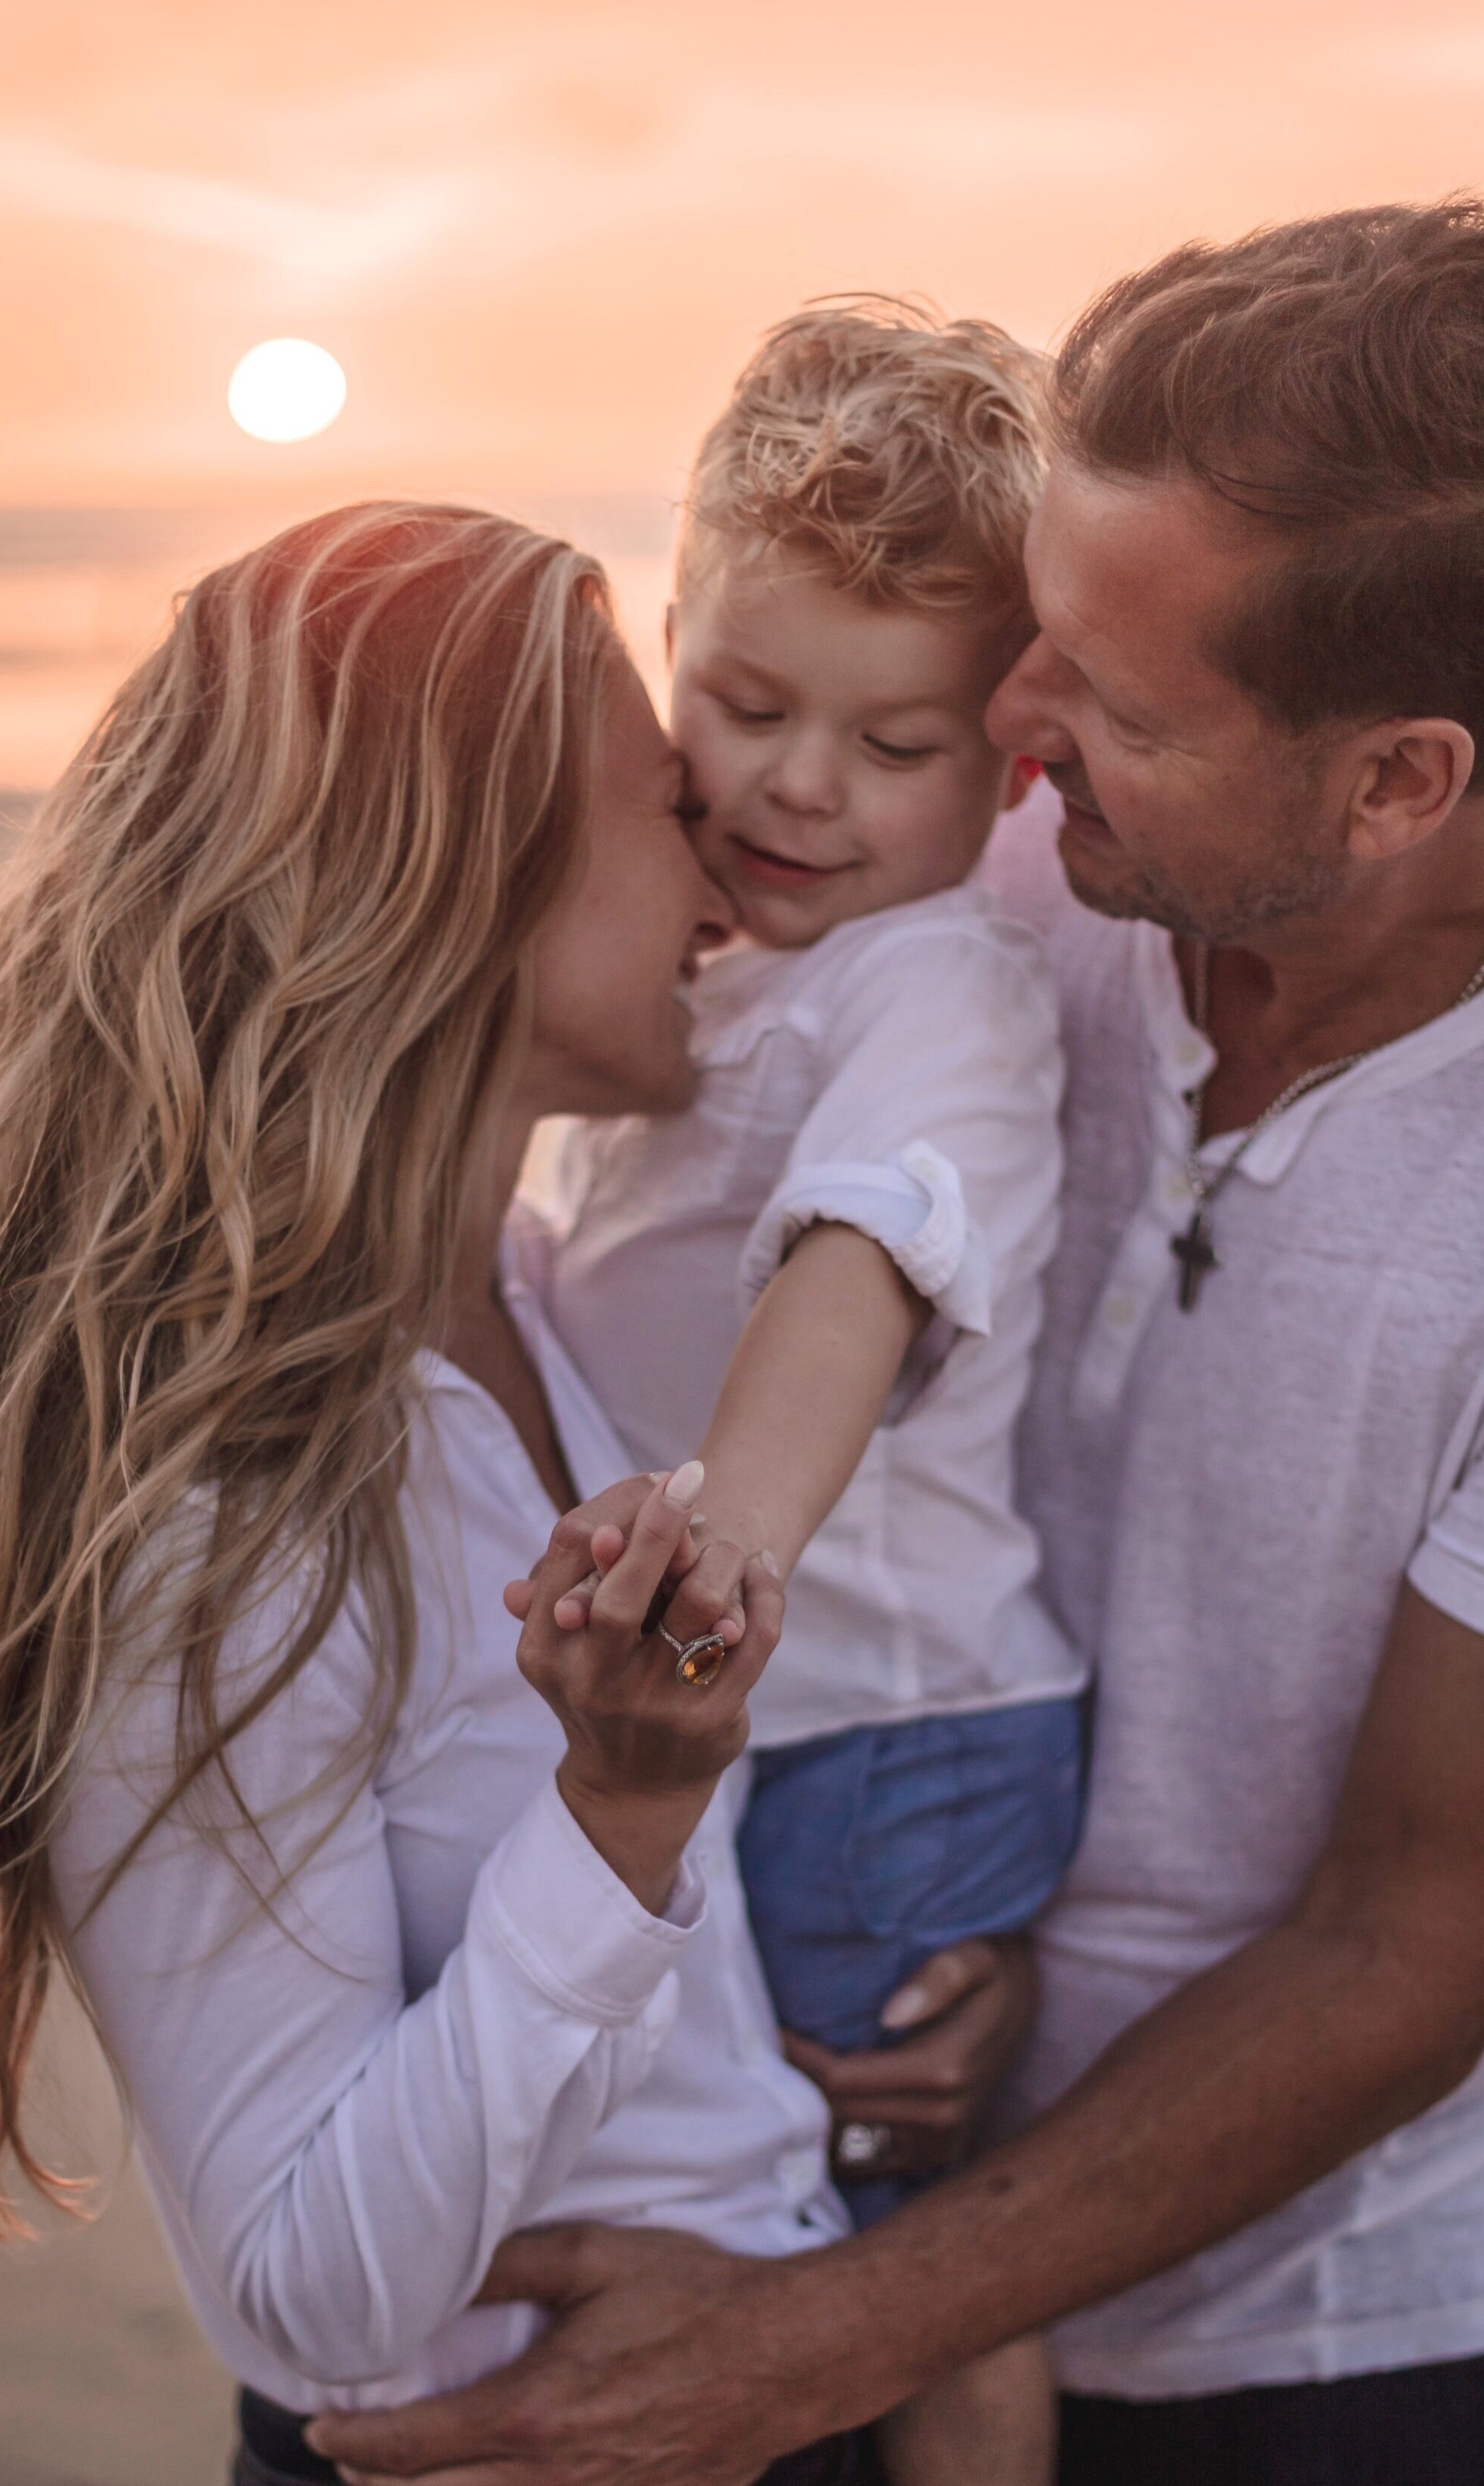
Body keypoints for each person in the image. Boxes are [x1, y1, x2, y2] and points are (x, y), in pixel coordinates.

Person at [310, 198, 1484, 2486]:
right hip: (814, 2105)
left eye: (1103, 695)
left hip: (1304, 2365)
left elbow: (1416, 1942)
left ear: (1392, 780)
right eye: (1030, 636)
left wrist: (813, 2337)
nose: (1002, 720)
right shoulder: (960, 833)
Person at [0, 501, 903, 2486]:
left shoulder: (532, 1292)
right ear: (453, 882)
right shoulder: (223, 1484)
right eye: (660, 807)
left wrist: (814, 2074)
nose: (726, 877)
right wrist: (621, 1812)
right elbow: (304, 2292)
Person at [523, 299, 1084, 2486]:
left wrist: (721, 1544)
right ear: (668, 631)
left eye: (889, 747)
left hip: (875, 1733)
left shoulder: (934, 982)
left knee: (883, 2251)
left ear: (1014, 763)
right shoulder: (704, 962)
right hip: (780, 1717)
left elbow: (865, 1254)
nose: (794, 788)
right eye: (745, 705)